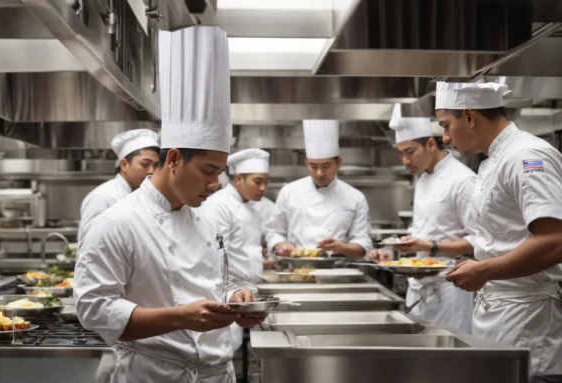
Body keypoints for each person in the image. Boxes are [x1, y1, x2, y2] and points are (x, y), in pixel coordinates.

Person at [74, 26, 266, 383]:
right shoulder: (118, 222)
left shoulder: (207, 217)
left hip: (216, 381)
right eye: (208, 171)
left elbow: (213, 285)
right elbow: (93, 310)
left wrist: (236, 298)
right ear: (174, 158)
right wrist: (180, 317)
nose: (216, 184)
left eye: (220, 173)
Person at [433, 81, 562, 374]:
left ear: (469, 116)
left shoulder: (527, 156)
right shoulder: (492, 162)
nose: (445, 137)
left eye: (446, 125)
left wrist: (483, 270)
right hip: (498, 310)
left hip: (528, 317)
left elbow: (556, 241)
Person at [367, 103, 475, 334]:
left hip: (450, 291)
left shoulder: (463, 181)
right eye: (401, 154)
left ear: (430, 144)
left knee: (450, 361)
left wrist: (430, 246)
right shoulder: (423, 177)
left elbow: (479, 241)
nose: (405, 161)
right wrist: (400, 249)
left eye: (410, 152)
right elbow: (426, 232)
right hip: (419, 289)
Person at [266, 120, 372, 258]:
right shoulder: (289, 192)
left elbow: (363, 242)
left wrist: (342, 247)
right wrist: (281, 245)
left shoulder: (355, 198)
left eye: (326, 166)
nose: (319, 173)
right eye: (313, 166)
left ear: (338, 162)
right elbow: (274, 232)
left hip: (338, 270)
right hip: (297, 269)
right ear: (306, 163)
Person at [202, 148, 270, 351]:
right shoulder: (220, 205)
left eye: (266, 181)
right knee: (225, 350)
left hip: (247, 293)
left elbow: (244, 250)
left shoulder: (250, 206)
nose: (263, 188)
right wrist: (233, 292)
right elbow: (216, 259)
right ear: (239, 178)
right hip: (227, 295)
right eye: (258, 182)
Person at [77, 129, 160, 244]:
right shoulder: (103, 197)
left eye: (156, 165)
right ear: (124, 165)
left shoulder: (146, 197)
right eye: (145, 164)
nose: (151, 171)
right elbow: (90, 246)